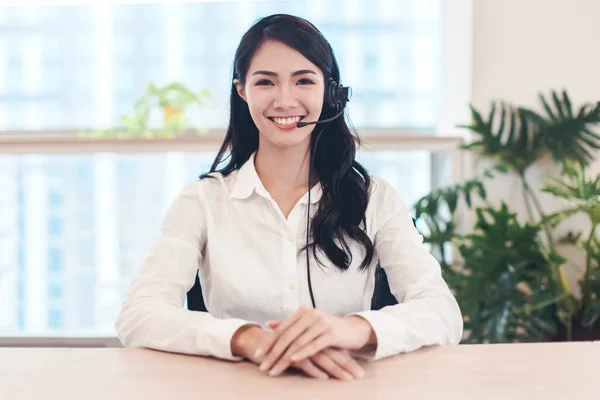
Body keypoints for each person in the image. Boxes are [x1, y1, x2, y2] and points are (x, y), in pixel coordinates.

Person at [115, 13, 463, 381]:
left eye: (304, 81)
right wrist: (247, 338)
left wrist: (349, 330)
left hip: (342, 386)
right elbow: (139, 313)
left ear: (330, 92)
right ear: (241, 89)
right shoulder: (202, 201)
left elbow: (441, 311)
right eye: (265, 82)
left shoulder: (374, 198)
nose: (285, 100)